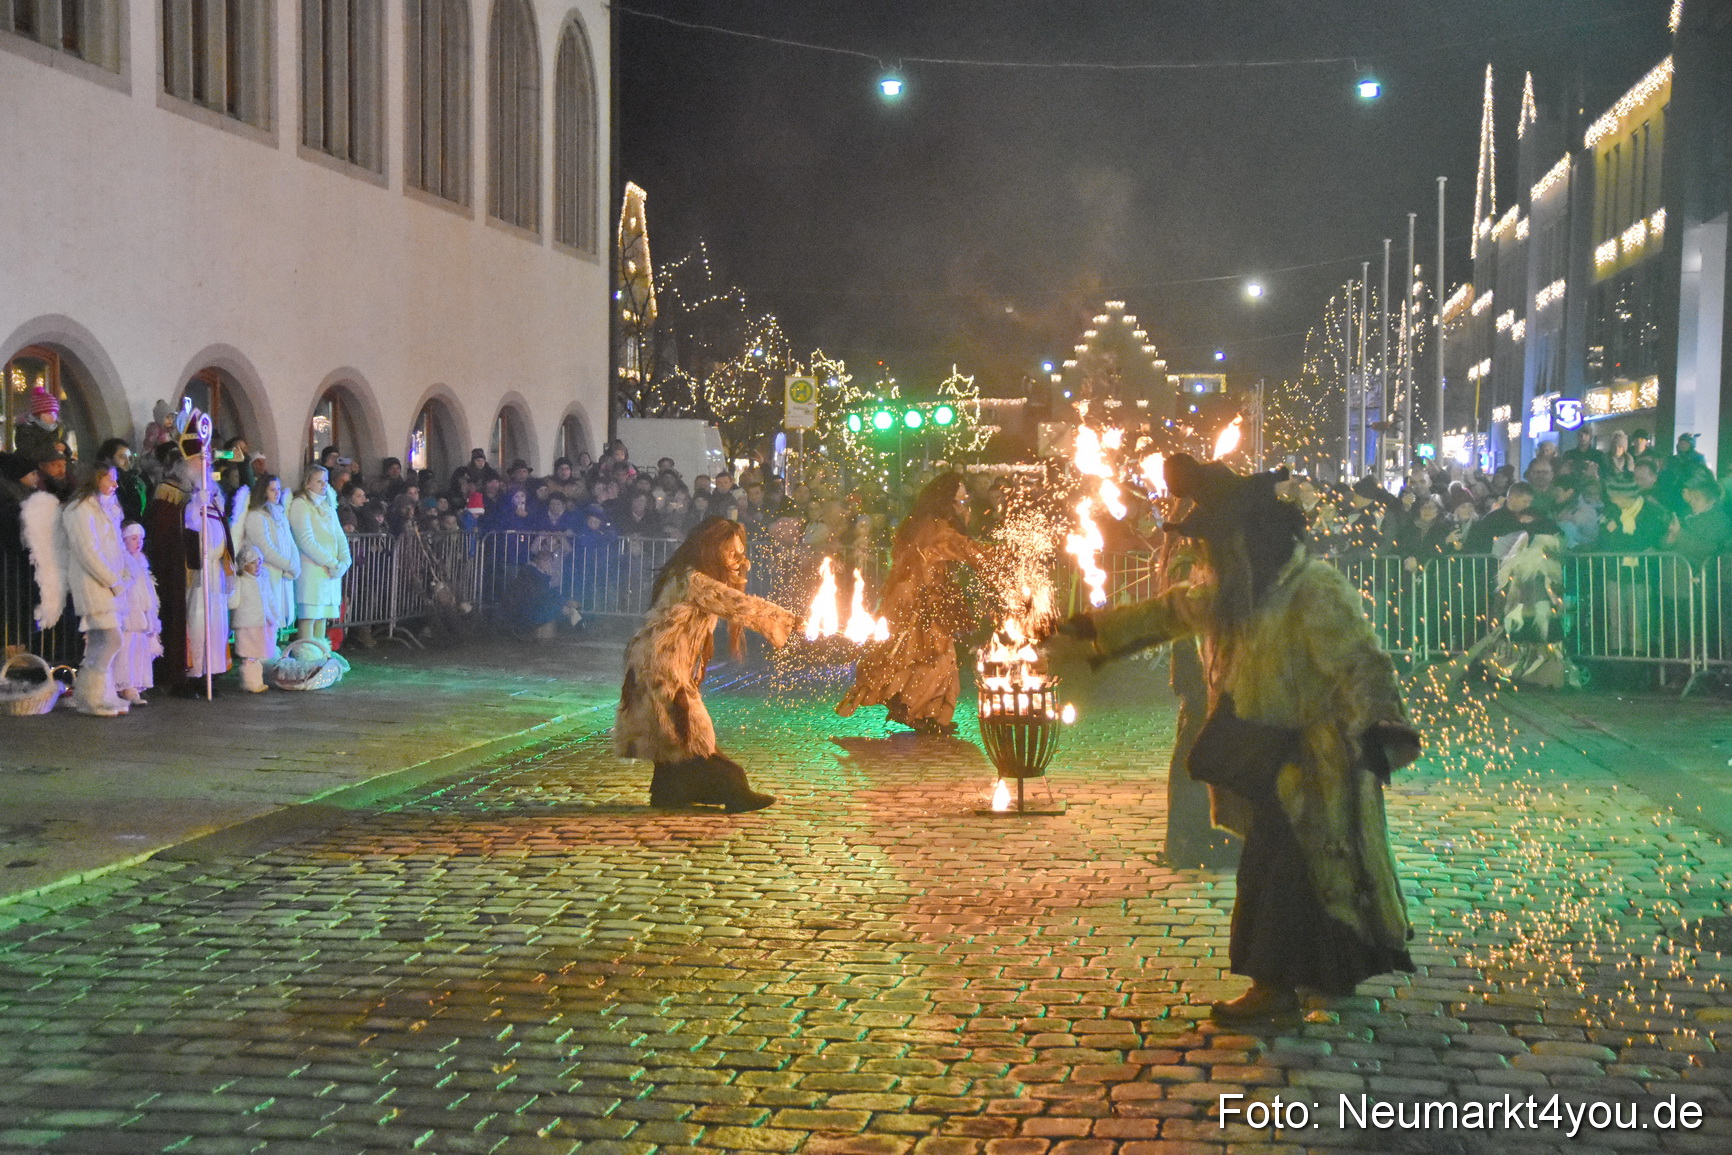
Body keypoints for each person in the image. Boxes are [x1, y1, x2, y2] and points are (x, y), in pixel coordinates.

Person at [1054, 454, 1418, 1023]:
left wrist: (1380, 727)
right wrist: (1096, 630)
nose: (1206, 560)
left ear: (1251, 540)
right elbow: (1172, 609)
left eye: (1217, 547)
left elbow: (1362, 664)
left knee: (1281, 875)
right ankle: (1327, 971)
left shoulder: (1311, 590)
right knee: (1304, 873)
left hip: (1314, 759)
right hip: (1266, 751)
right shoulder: (1236, 591)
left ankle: (1274, 992)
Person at [615, 517, 796, 812]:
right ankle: (732, 787)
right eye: (731, 554)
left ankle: (669, 790)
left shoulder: (689, 575)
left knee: (671, 734)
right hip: (660, 664)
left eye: (740, 552)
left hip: (659, 660)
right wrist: (788, 620)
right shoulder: (693, 580)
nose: (740, 561)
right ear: (711, 551)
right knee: (690, 732)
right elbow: (737, 604)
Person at [837, 472, 989, 736]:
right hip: (918, 601)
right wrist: (1004, 555)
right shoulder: (936, 527)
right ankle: (911, 707)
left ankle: (927, 713)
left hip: (922, 598)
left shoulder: (926, 522)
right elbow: (963, 548)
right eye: (961, 497)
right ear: (948, 498)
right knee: (931, 656)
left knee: (930, 655)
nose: (965, 502)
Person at [58, 464, 130, 716]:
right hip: (94, 585)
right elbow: (88, 551)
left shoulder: (107, 508)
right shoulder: (80, 510)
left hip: (109, 585)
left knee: (102, 640)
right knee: (111, 639)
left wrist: (123, 575)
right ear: (96, 478)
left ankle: (97, 694)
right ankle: (92, 697)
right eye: (111, 479)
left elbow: (116, 546)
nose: (115, 484)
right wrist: (112, 580)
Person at [288, 466, 352, 651]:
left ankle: (320, 654)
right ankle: (306, 656)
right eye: (319, 481)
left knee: (322, 617)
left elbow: (339, 536)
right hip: (312, 571)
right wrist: (332, 562)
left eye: (325, 481)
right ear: (308, 483)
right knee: (310, 616)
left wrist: (344, 562)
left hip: (329, 573)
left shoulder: (328, 505)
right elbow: (306, 540)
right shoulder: (301, 505)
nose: (324, 485)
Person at [239, 475, 298, 661]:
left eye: (278, 489)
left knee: (279, 614)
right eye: (272, 489)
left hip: (282, 574)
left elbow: (290, 542)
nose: (277, 493)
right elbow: (265, 547)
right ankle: (264, 655)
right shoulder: (256, 516)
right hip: (269, 573)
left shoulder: (279, 514)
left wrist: (295, 567)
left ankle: (275, 651)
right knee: (268, 615)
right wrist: (287, 565)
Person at [114, 522, 162, 707]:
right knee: (125, 651)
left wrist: (151, 614)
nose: (138, 542)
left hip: (141, 616)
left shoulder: (141, 562)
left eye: (140, 539)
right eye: (133, 538)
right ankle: (125, 687)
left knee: (137, 652)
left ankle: (134, 685)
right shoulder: (123, 561)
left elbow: (148, 591)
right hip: (127, 616)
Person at [228, 545, 279, 693]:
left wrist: (275, 616)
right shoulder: (240, 581)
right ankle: (251, 682)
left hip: (262, 623)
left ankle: (255, 681)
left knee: (258, 654)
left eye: (259, 562)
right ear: (244, 564)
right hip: (247, 624)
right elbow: (233, 601)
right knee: (250, 656)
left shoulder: (263, 580)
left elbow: (271, 600)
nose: (257, 566)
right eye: (253, 562)